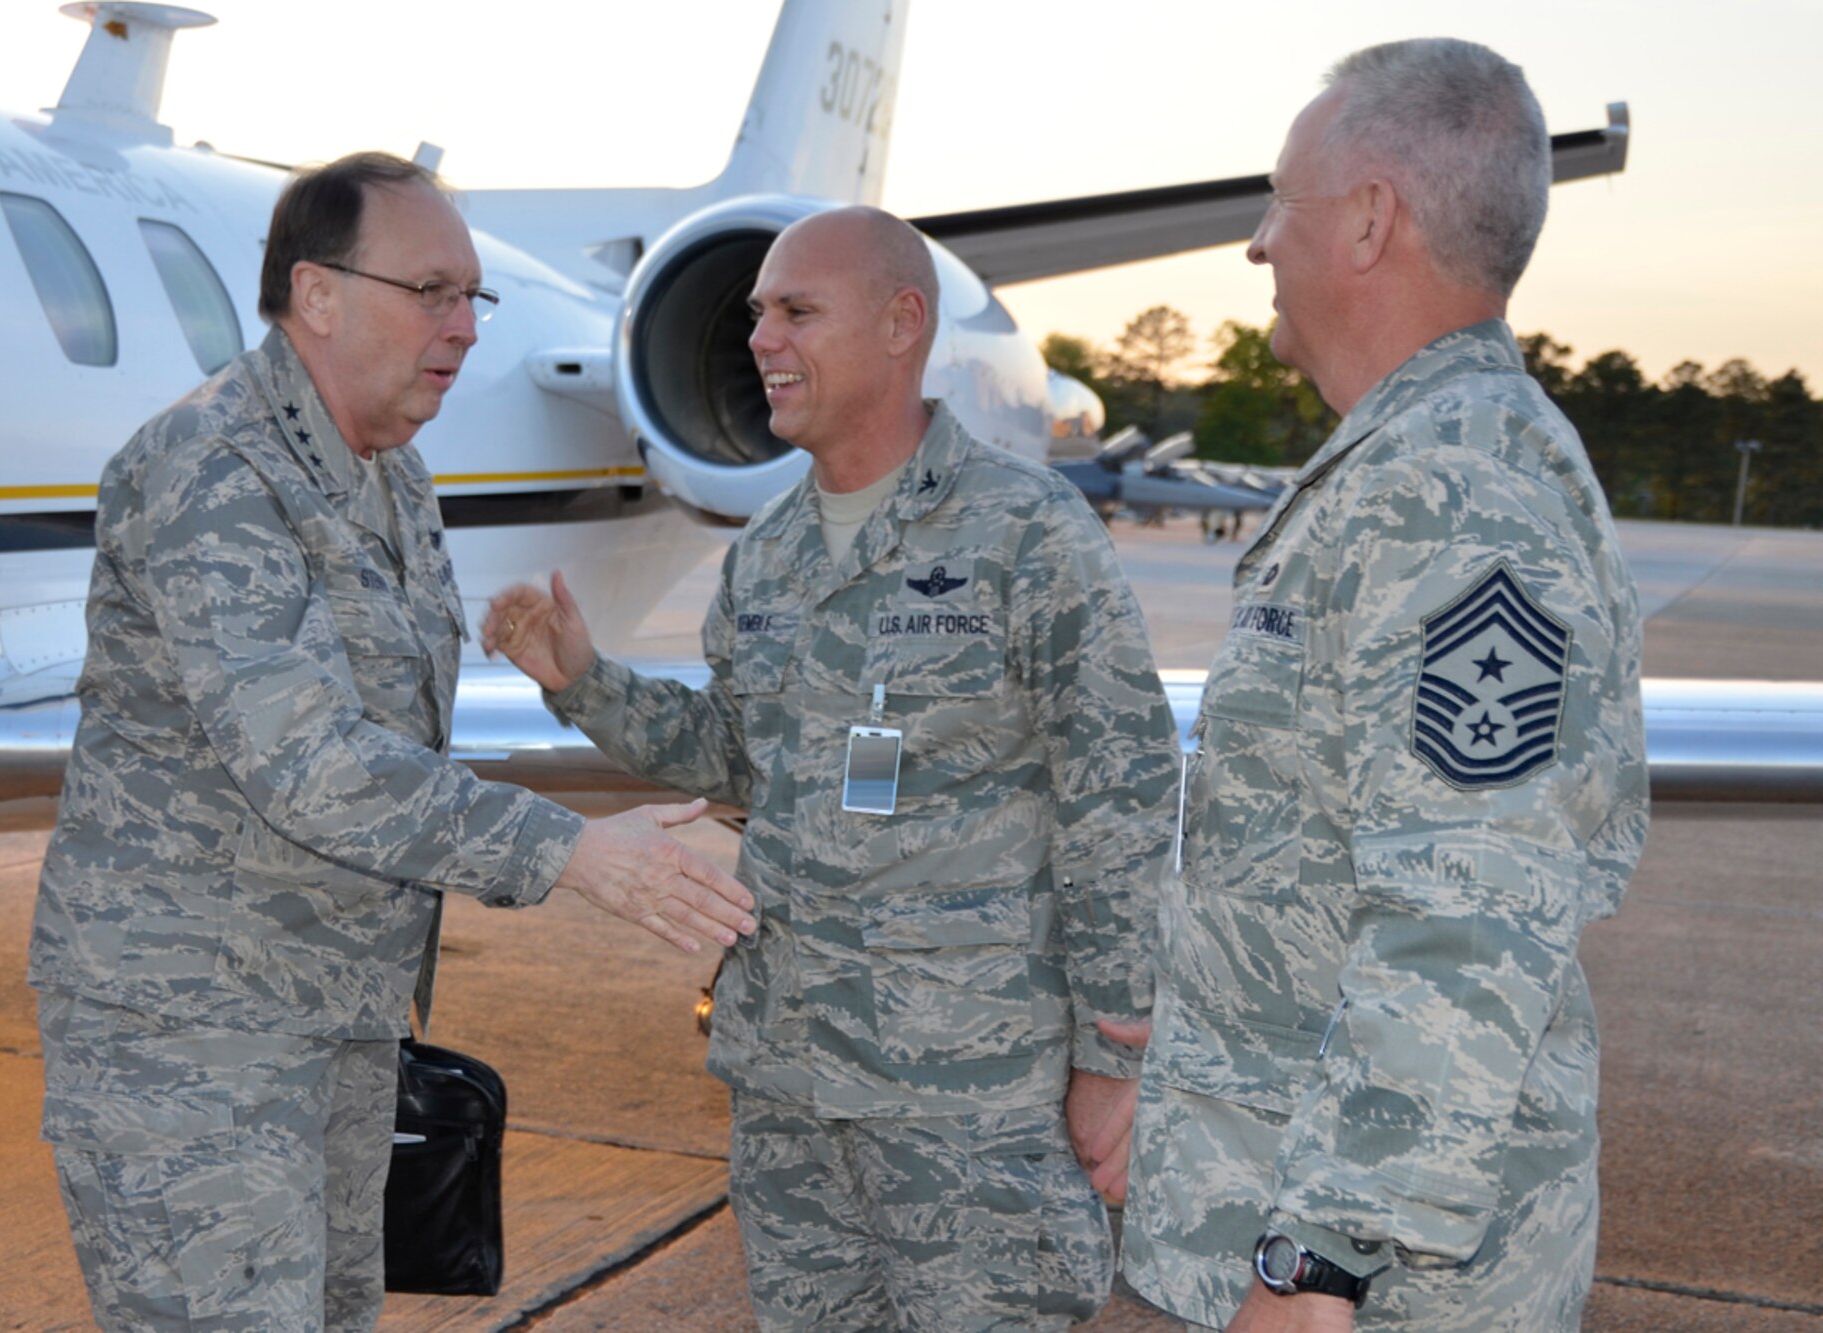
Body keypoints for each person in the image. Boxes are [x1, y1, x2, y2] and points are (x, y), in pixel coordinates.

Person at [27, 151, 757, 1332]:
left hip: (335, 1020)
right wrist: (575, 852)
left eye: (474, 297)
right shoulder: (213, 468)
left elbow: (386, 728)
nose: (466, 327)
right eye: (432, 292)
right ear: (317, 293)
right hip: (194, 1035)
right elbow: (310, 763)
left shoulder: (393, 475)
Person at [486, 205, 1179, 1330]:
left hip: (965, 1098)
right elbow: (740, 756)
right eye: (757, 314)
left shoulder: (1023, 533)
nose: (759, 338)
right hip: (788, 1090)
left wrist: (1113, 1053)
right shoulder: (767, 555)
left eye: (796, 311)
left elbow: (1121, 796)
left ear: (902, 323)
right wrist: (582, 680)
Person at [1097, 39, 1650, 1332]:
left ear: (1365, 221)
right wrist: (1207, 1001)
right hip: (1281, 1185)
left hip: (1384, 1282)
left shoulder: (1452, 496)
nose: (1253, 244)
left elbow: (1469, 913)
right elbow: (1348, 844)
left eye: (1277, 204)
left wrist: (1317, 1263)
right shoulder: (1413, 464)